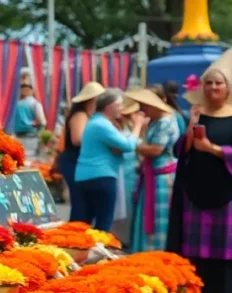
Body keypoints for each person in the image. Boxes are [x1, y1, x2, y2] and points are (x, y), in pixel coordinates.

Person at [167, 46, 232, 293]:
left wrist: (213, 150)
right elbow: (178, 152)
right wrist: (191, 126)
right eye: (208, 82)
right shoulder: (196, 115)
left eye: (218, 82)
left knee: (227, 254)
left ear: (228, 87)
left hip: (230, 193)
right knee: (195, 253)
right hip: (195, 191)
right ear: (202, 86)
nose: (213, 87)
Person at [72, 89, 139, 231]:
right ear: (110, 106)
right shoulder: (102, 124)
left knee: (85, 221)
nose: (122, 109)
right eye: (119, 105)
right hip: (101, 176)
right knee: (103, 222)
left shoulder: (95, 122)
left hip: (87, 176)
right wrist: (138, 126)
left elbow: (117, 147)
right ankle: (99, 251)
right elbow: (128, 146)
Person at [129, 87, 179, 252]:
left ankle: (156, 252)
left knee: (158, 219)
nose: (143, 109)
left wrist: (134, 143)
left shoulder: (165, 121)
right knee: (147, 216)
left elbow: (156, 149)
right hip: (152, 174)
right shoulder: (154, 120)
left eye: (146, 105)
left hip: (161, 178)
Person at [55, 82, 104, 219]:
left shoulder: (87, 115)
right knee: (80, 203)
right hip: (73, 162)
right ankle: (76, 233)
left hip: (77, 162)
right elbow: (77, 139)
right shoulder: (80, 115)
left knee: (83, 203)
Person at [112, 97, 143, 245]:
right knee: (121, 209)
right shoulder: (114, 127)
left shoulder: (132, 127)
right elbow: (123, 147)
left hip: (133, 171)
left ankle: (126, 240)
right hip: (122, 172)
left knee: (130, 208)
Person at [9, 78, 45, 156]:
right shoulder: (35, 104)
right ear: (32, 90)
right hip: (31, 137)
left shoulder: (16, 104)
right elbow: (42, 121)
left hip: (18, 137)